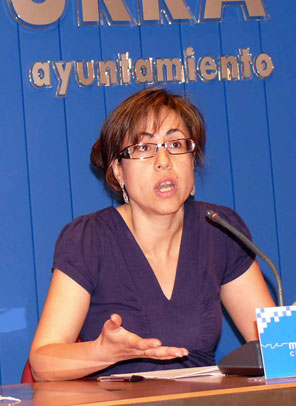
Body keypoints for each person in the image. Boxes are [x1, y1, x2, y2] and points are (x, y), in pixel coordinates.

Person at [29, 87, 275, 381]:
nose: (163, 161)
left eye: (176, 144)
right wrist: (103, 352)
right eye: (144, 148)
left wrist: (289, 334)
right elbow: (42, 362)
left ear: (192, 160)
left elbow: (273, 348)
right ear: (118, 172)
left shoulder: (220, 230)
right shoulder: (89, 240)